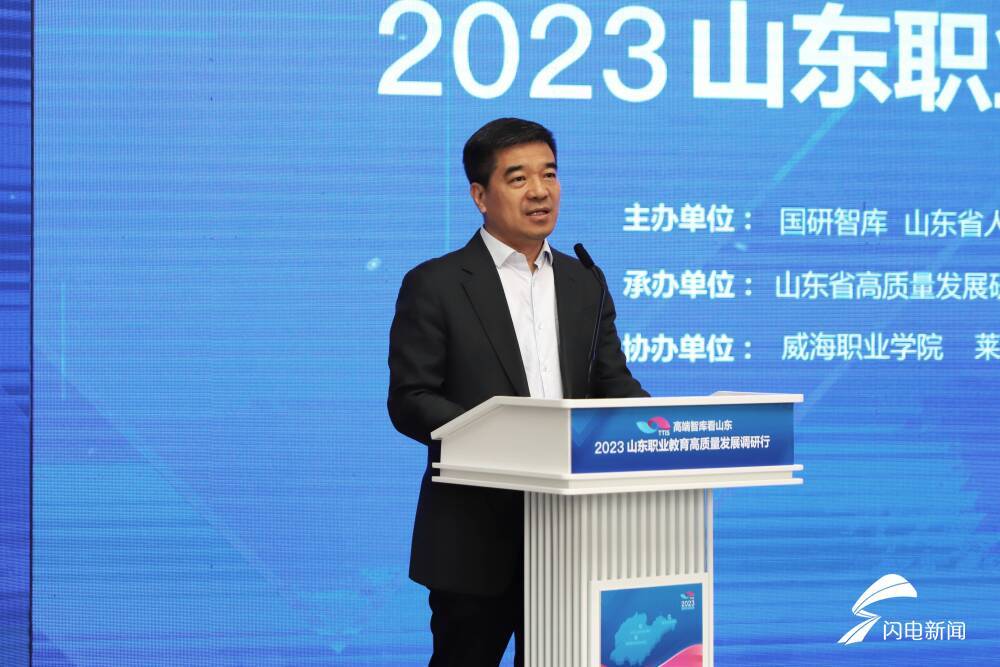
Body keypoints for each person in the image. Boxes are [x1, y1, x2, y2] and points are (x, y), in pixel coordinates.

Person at [388, 117, 647, 666]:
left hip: (575, 534)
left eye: (549, 174)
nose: (540, 191)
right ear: (480, 196)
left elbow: (612, 383)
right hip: (476, 538)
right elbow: (411, 399)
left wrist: (657, 433)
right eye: (518, 178)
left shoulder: (585, 281)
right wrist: (511, 443)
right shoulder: (436, 284)